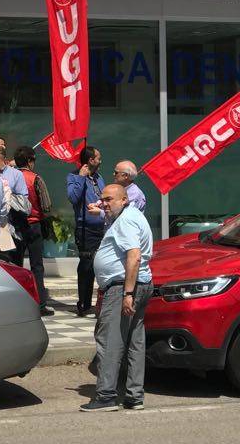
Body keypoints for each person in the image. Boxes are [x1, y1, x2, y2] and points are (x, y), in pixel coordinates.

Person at [80, 182, 154, 412]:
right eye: (103, 199)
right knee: (134, 342)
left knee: (110, 342)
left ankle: (106, 396)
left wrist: (128, 294)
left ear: (124, 200)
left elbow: (134, 256)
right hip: (136, 284)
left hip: (123, 287)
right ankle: (134, 396)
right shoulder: (129, 216)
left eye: (109, 200)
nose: (104, 203)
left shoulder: (126, 220)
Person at [13, 145, 53, 316]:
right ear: (29, 161)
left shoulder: (10, 176)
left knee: (15, 265)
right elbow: (46, 205)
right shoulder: (36, 179)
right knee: (37, 266)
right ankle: (40, 303)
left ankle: (15, 302)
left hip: (15, 225)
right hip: (34, 225)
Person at [68, 146, 105, 317]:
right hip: (86, 229)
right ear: (90, 160)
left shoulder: (99, 178)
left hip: (102, 227)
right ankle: (83, 302)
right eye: (98, 158)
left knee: (102, 264)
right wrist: (81, 179)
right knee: (87, 265)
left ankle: (101, 301)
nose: (100, 160)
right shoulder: (74, 176)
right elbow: (74, 198)